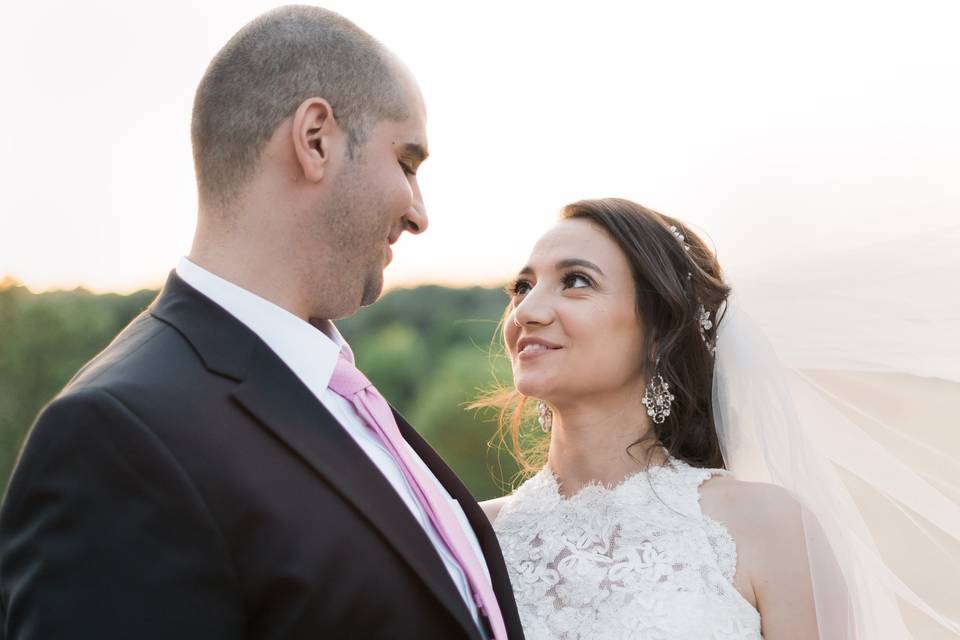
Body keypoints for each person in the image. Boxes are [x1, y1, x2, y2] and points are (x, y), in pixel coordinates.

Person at [0, 6, 523, 639]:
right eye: (408, 163)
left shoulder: (337, 391)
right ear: (316, 139)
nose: (419, 213)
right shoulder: (116, 437)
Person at [478, 198, 958, 639]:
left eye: (576, 281)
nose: (528, 310)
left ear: (659, 329)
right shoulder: (473, 535)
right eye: (522, 286)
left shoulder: (764, 525)